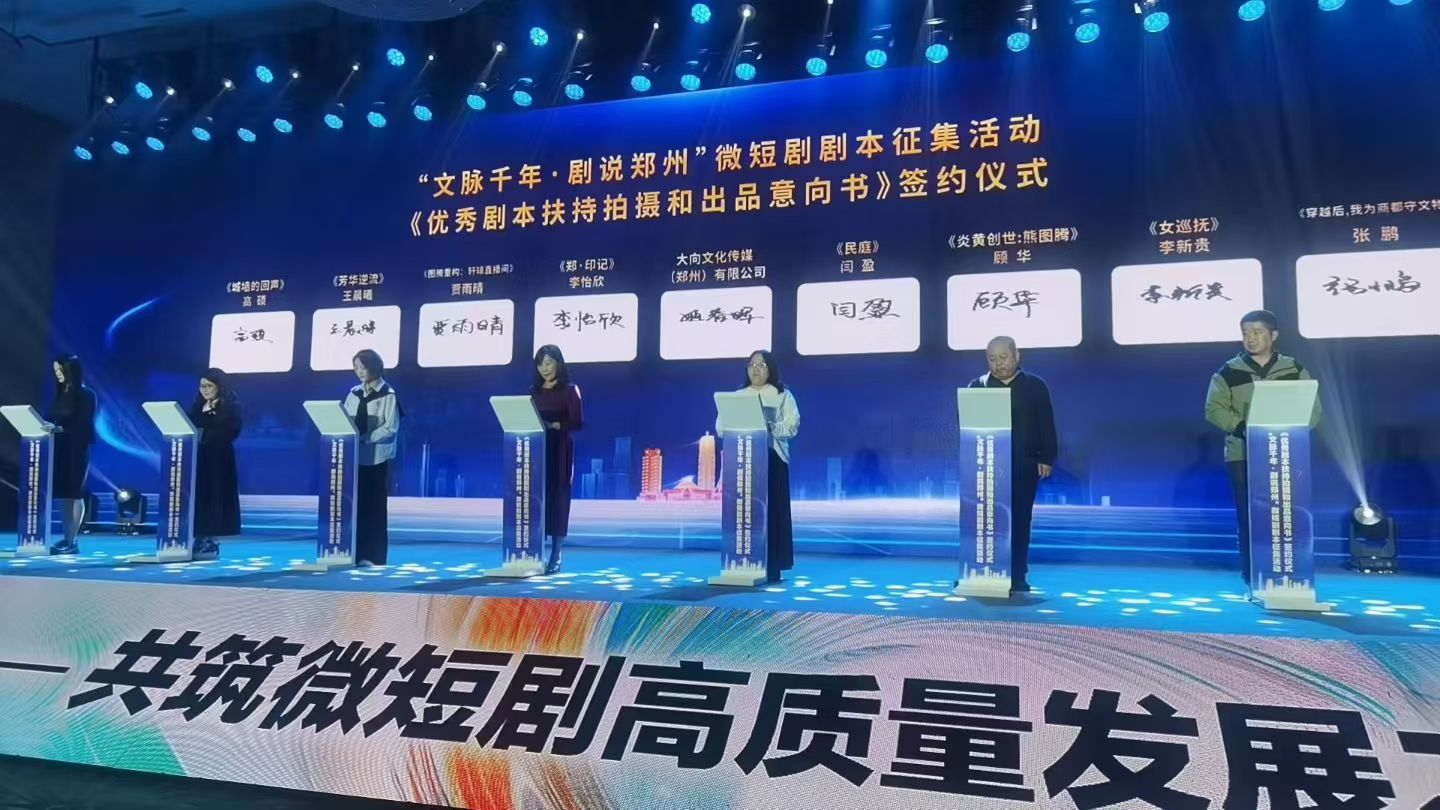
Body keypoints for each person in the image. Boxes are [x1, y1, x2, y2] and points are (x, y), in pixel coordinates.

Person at [1204, 310, 1320, 585]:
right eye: (1246, 333)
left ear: (1273, 335)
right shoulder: (1228, 371)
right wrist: (1242, 427)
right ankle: (1253, 575)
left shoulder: (1294, 369)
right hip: (1242, 454)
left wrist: (1294, 431)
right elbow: (1213, 409)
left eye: (1257, 332)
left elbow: (1313, 409)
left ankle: (1290, 573)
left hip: (1286, 453)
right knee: (1249, 516)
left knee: (1287, 515)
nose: (1251, 338)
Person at [968, 336, 1057, 594]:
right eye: (992, 359)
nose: (998, 364)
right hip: (988, 467)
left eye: (1003, 357)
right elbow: (967, 427)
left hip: (1024, 465)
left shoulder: (1035, 386)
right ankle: (982, 571)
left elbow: (1046, 423)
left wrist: (1047, 457)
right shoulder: (978, 386)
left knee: (1019, 520)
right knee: (986, 522)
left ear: (1017, 355)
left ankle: (1017, 575)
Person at [733, 349, 800, 584]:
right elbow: (721, 426)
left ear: (770, 369)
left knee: (772, 513)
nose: (756, 369)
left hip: (773, 460)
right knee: (746, 515)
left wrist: (771, 427)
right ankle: (743, 563)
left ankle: (772, 566)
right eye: (752, 365)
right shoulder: (738, 396)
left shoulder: (782, 395)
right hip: (744, 461)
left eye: (761, 365)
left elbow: (792, 425)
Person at [343, 349, 401, 567]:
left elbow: (391, 427)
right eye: (356, 368)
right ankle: (356, 553)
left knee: (374, 509)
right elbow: (344, 419)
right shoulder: (353, 393)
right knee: (357, 508)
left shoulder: (388, 394)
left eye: (363, 367)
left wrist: (367, 438)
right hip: (355, 458)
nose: (359, 372)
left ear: (374, 367)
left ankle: (374, 556)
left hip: (377, 459)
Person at [531, 345, 583, 575]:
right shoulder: (533, 392)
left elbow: (577, 422)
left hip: (560, 449)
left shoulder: (570, 390)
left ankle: (556, 554)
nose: (544, 368)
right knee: (537, 500)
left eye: (549, 362)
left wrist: (555, 425)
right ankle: (534, 552)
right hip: (537, 450)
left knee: (558, 499)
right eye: (540, 363)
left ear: (559, 363)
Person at [42, 355, 97, 555]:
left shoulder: (86, 394)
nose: (57, 374)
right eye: (55, 371)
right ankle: (67, 538)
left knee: (74, 493)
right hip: (60, 448)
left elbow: (84, 424)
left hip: (77, 448)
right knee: (64, 495)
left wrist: (59, 429)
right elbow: (51, 418)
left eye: (60, 370)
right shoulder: (60, 395)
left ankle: (72, 540)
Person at [188, 368, 242, 561]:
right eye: (202, 386)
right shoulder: (197, 406)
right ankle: (198, 536)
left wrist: (207, 430)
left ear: (219, 386)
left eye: (209, 386)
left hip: (219, 459)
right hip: (199, 457)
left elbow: (232, 430)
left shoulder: (232, 407)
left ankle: (212, 539)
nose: (204, 390)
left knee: (216, 496)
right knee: (200, 497)